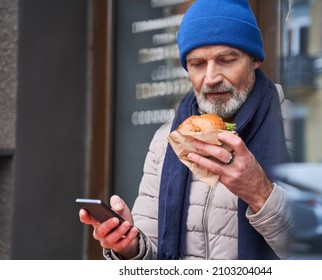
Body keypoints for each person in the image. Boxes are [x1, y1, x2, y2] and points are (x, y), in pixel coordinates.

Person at [79, 0, 292, 260]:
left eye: (226, 60)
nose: (211, 78)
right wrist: (127, 246)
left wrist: (260, 193)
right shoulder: (167, 140)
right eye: (197, 64)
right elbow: (153, 255)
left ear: (255, 59)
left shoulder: (300, 126)